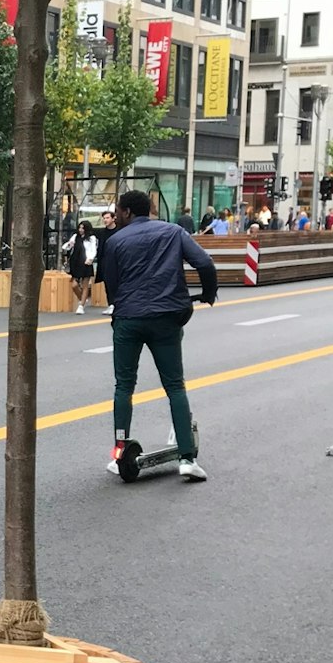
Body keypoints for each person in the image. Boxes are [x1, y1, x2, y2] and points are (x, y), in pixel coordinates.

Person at [98, 189, 218, 482]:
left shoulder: (115, 241)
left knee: (124, 386)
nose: (117, 215)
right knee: (175, 386)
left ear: (127, 212)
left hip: (128, 318)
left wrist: (120, 308)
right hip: (166, 318)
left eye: (118, 210)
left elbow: (111, 284)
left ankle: (119, 450)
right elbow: (205, 263)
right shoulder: (173, 232)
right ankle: (187, 458)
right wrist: (208, 293)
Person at [62, 220, 98, 314]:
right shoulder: (75, 236)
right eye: (80, 228)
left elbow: (93, 249)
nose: (81, 230)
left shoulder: (91, 238)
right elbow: (67, 246)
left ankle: (81, 305)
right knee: (74, 285)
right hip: (76, 262)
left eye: (83, 228)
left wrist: (90, 259)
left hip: (85, 262)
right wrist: (69, 244)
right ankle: (82, 299)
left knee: (85, 284)